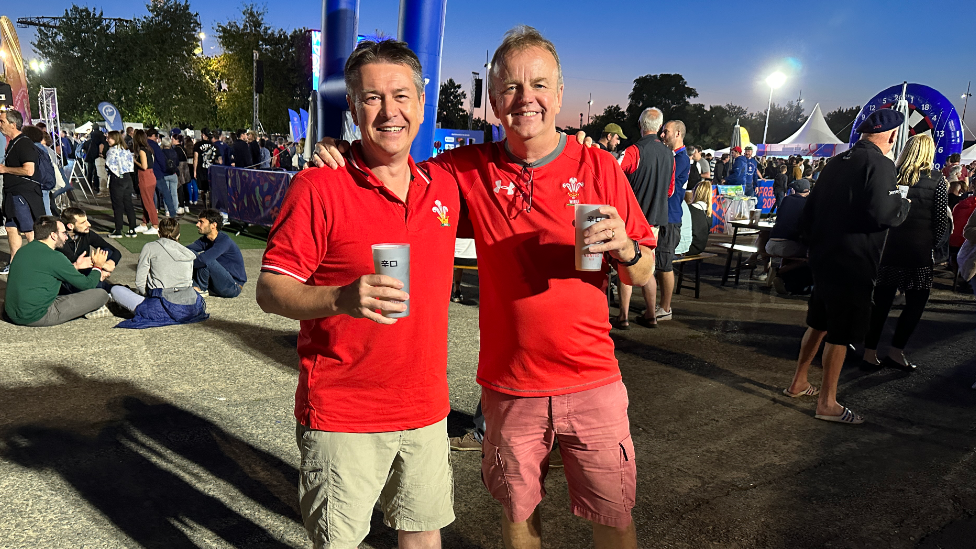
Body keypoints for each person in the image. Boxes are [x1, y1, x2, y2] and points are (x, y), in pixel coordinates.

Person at [314, 26, 655, 548]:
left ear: (560, 94)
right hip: (510, 386)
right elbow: (393, 167)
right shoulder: (465, 171)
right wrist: (344, 150)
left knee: (612, 516)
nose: (527, 100)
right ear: (494, 101)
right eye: (512, 89)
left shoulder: (598, 166)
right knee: (518, 515)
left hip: (593, 381)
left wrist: (626, 250)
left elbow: (643, 272)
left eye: (539, 86)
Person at [256, 39, 458, 548]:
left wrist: (584, 148)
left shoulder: (443, 187)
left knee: (423, 538)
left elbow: (523, 160)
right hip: (345, 416)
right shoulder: (320, 187)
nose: (389, 111)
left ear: (420, 101)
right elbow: (270, 289)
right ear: (352, 108)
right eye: (371, 98)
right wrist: (340, 299)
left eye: (400, 95)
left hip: (426, 409)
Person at [785, 109, 911, 424]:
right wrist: (904, 205)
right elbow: (885, 214)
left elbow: (808, 214)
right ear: (893, 136)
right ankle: (827, 403)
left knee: (818, 322)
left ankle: (799, 382)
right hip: (854, 260)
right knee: (840, 333)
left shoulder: (836, 162)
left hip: (824, 256)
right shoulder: (880, 164)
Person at [862, 135, 950, 371]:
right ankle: (896, 351)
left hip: (889, 248)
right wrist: (932, 244)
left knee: (881, 302)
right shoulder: (937, 179)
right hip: (918, 251)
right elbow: (940, 220)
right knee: (916, 303)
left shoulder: (892, 174)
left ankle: (869, 353)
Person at [615, 107, 673, 329]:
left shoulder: (633, 151)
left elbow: (616, 178)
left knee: (627, 264)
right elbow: (669, 190)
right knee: (648, 265)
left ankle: (624, 316)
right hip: (656, 220)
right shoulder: (670, 154)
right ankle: (650, 313)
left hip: (633, 218)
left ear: (640, 125)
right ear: (659, 128)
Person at [3, 216, 111, 326]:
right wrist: (98, 266)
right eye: (64, 233)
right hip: (36, 316)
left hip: (12, 313)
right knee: (101, 294)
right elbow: (88, 284)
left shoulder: (23, 250)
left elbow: (46, 271)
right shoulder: (55, 256)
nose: (66, 237)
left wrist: (75, 266)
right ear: (53, 235)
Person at [110, 217, 208, 329]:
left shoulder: (150, 247)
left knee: (116, 290)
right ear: (178, 235)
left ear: (158, 233)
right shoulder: (187, 252)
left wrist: (146, 295)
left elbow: (140, 281)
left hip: (160, 304)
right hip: (189, 306)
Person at [650, 119, 689, 324]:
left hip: (670, 218)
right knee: (660, 262)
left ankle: (665, 308)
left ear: (678, 134)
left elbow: (669, 188)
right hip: (666, 216)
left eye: (666, 132)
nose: (662, 135)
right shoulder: (675, 156)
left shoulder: (680, 159)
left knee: (665, 263)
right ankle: (661, 305)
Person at [0, 108, 42, 274]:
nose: (0, 125)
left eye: (2, 121)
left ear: (13, 124)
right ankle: (15, 262)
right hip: (11, 193)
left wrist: (5, 169)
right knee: (11, 228)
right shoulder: (13, 142)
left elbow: (28, 170)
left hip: (23, 194)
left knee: (29, 230)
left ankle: (36, 265)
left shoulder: (24, 143)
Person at [188, 208, 246, 298]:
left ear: (213, 225)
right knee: (191, 254)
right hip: (217, 283)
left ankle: (201, 289)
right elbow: (186, 250)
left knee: (205, 259)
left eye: (201, 222)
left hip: (232, 286)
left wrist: (185, 265)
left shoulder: (224, 240)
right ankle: (195, 286)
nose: (197, 225)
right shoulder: (205, 239)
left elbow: (204, 260)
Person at [59, 207, 120, 288]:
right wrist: (100, 267)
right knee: (100, 286)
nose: (89, 224)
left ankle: (108, 289)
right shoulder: (59, 240)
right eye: (83, 222)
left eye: (87, 220)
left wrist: (111, 263)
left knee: (107, 251)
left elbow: (115, 251)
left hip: (85, 271)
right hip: (67, 278)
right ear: (70, 226)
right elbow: (73, 260)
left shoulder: (86, 234)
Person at [104, 130, 138, 238]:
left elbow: (108, 166)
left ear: (114, 138)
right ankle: (132, 228)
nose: (107, 140)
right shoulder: (126, 150)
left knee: (117, 206)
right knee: (128, 204)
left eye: (109, 138)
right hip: (127, 178)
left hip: (117, 179)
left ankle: (118, 230)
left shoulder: (112, 151)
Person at [132, 130, 159, 235]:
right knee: (145, 201)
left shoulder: (143, 151)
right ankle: (144, 223)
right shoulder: (149, 149)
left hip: (145, 176)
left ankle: (155, 225)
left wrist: (134, 160)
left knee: (148, 202)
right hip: (150, 176)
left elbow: (144, 166)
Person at [148, 129, 178, 218]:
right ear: (153, 136)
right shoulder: (155, 146)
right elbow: (161, 159)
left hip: (147, 172)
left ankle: (151, 214)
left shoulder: (144, 145)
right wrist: (164, 169)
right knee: (167, 193)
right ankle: (172, 212)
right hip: (157, 172)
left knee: (150, 195)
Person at [192, 128, 218, 206]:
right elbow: (219, 159)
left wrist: (194, 171)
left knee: (203, 189)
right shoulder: (214, 146)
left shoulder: (198, 145)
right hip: (212, 170)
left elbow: (195, 158)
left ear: (203, 135)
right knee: (210, 188)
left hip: (201, 169)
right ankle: (210, 204)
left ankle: (205, 204)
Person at [159, 137, 181, 217]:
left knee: (166, 193)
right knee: (174, 193)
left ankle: (167, 210)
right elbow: (177, 163)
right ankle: (175, 208)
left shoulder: (161, 152)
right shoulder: (174, 152)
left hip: (164, 174)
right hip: (173, 173)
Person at [86, 125, 107, 196]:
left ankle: (89, 185)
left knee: (90, 171)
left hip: (91, 154)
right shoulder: (101, 135)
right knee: (97, 172)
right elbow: (101, 144)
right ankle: (96, 186)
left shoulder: (92, 135)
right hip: (97, 155)